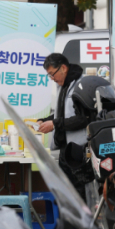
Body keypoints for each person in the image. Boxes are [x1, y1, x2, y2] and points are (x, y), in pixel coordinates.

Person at [37, 53, 91, 198]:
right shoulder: (63, 85)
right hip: (64, 150)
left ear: (63, 68)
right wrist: (45, 120)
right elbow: (61, 115)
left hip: (77, 150)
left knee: (78, 195)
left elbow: (83, 119)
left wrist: (54, 123)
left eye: (52, 74)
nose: (52, 79)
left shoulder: (80, 86)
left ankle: (80, 221)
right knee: (66, 194)